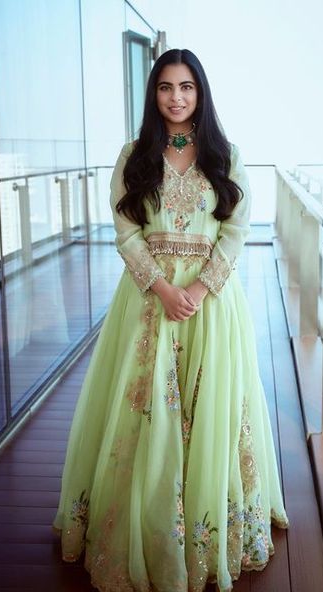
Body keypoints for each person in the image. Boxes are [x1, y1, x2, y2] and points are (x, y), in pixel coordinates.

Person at [53, 48, 289, 592]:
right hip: (148, 300)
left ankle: (205, 536)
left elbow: (235, 231)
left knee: (209, 409)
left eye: (186, 87)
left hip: (210, 303)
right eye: (165, 87)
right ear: (153, 93)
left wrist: (200, 289)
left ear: (200, 94)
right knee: (145, 414)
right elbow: (125, 231)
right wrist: (161, 288)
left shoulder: (226, 156)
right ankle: (147, 529)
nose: (176, 97)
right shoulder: (133, 155)